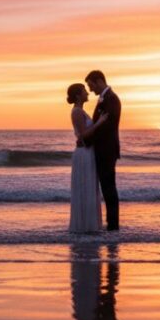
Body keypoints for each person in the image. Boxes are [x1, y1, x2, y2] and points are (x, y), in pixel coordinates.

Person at [84, 70, 121, 230]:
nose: (91, 90)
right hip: (102, 150)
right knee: (106, 188)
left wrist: (86, 139)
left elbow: (107, 125)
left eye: (91, 85)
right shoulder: (104, 99)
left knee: (109, 189)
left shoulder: (111, 99)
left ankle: (113, 226)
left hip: (106, 151)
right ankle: (110, 224)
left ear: (99, 81)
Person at [67, 83, 106, 233]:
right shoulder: (77, 112)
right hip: (83, 153)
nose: (87, 93)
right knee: (85, 187)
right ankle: (84, 226)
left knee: (89, 187)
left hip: (88, 152)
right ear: (78, 95)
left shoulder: (81, 111)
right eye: (84, 91)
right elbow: (83, 134)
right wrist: (99, 123)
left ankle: (88, 224)